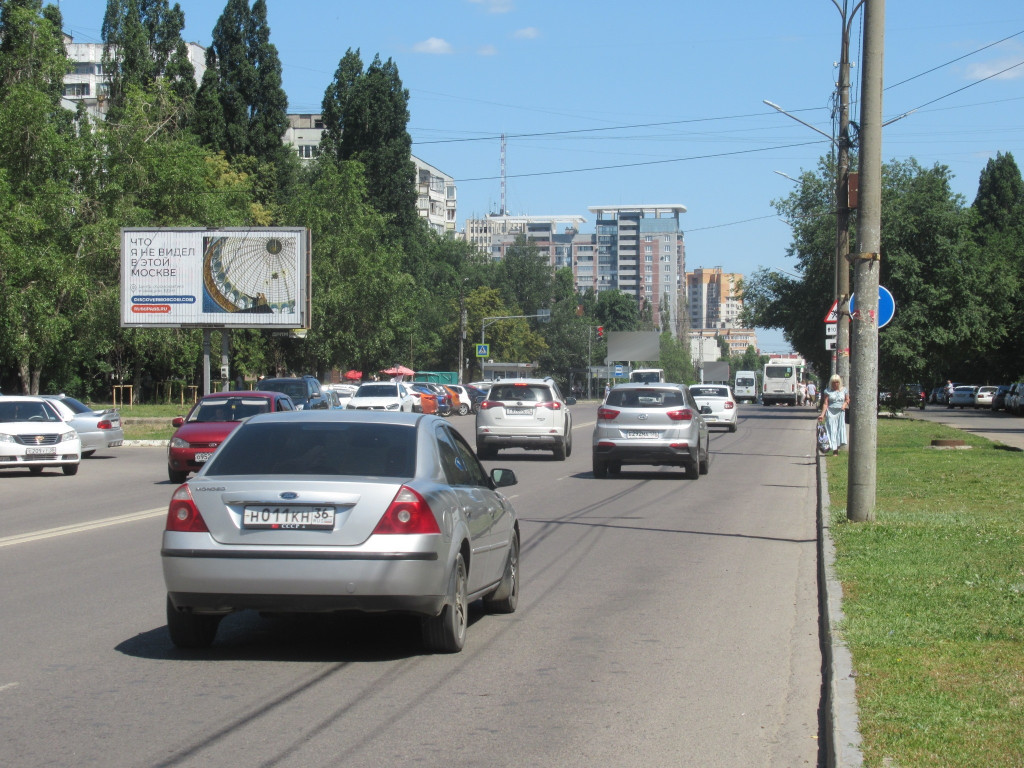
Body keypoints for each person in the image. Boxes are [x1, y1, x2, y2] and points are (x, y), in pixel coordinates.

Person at [818, 374, 849, 456]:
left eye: (837, 382)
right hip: (830, 412)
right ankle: (832, 448)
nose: (835, 384)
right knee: (831, 430)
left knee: (839, 430)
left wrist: (844, 405)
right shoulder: (827, 391)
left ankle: (836, 450)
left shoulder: (844, 390)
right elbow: (825, 403)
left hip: (840, 412)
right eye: (834, 382)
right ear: (831, 383)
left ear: (839, 382)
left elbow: (847, 400)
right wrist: (822, 415)